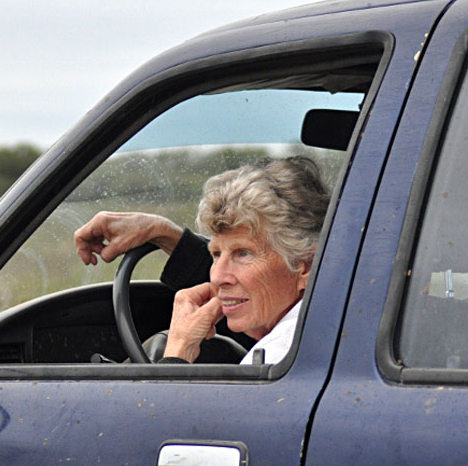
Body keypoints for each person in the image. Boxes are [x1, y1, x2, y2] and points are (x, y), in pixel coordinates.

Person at [74, 156, 330, 364]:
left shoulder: (280, 360)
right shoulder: (328, 323)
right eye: (216, 253)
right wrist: (162, 233)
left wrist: (177, 352)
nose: (217, 276)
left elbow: (156, 424)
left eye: (243, 253)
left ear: (305, 266)